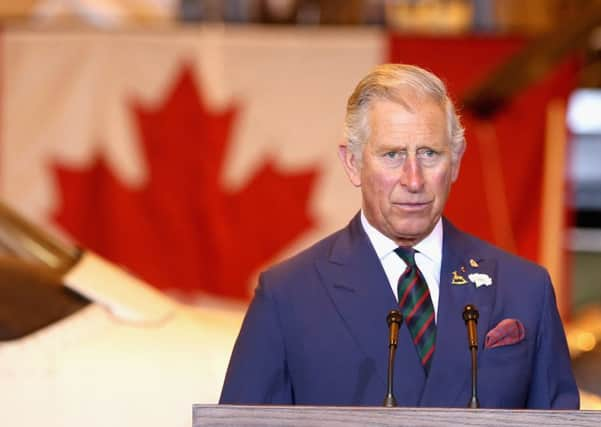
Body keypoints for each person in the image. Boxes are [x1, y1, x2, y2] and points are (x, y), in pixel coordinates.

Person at [219, 63, 579, 408]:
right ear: (353, 163)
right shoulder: (288, 295)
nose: (413, 179)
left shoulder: (523, 289)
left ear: (455, 162)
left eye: (429, 154)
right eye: (392, 154)